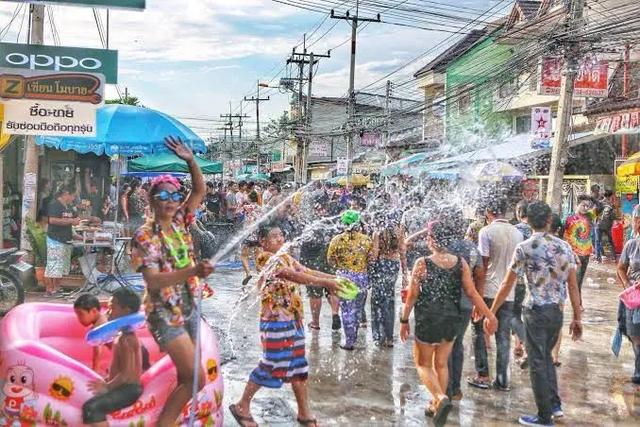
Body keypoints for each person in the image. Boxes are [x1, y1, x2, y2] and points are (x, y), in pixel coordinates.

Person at [130, 136, 215, 426]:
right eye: (163, 196)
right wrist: (193, 272)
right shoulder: (144, 234)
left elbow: (200, 190)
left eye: (174, 195)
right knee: (197, 378)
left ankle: (166, 416)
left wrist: (190, 161)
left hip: (190, 307)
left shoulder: (181, 220)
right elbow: (152, 281)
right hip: (164, 313)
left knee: (189, 377)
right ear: (152, 199)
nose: (169, 201)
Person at [229, 224, 342, 427]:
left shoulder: (286, 256)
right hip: (275, 320)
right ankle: (241, 405)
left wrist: (334, 278)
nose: (280, 239)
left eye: (281, 235)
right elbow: (292, 275)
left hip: (294, 318)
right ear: (263, 241)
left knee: (298, 365)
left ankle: (305, 413)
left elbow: (305, 270)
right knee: (272, 362)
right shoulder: (265, 257)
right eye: (274, 237)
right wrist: (327, 284)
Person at [488, 201, 583, 427]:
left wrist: (491, 312)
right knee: (546, 359)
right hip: (556, 313)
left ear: (527, 220)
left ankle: (544, 417)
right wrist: (577, 317)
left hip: (535, 311)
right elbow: (572, 286)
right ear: (550, 219)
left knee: (538, 363)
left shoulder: (525, 248)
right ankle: (555, 406)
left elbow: (507, 284)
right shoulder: (564, 247)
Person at [400, 221, 497, 426]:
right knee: (442, 364)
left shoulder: (422, 263)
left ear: (431, 240)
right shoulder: (461, 263)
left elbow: (412, 296)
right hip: (451, 319)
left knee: (423, 364)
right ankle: (436, 403)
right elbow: (471, 293)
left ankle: (440, 398)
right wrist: (490, 315)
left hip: (429, 318)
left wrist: (404, 319)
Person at [468, 196, 523, 391]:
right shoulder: (517, 233)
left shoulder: (486, 231)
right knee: (503, 336)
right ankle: (502, 380)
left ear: (489, 213)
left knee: (478, 331)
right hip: (508, 292)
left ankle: (482, 375)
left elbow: (482, 267)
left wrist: (477, 297)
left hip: (488, 290)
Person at [82, 288, 144, 427]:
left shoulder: (126, 339)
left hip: (129, 390)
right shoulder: (122, 335)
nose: (108, 312)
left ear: (126, 311)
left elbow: (127, 374)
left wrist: (107, 387)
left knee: (91, 408)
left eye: (112, 308)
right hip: (125, 387)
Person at [327, 210, 378, 350]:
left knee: (347, 309)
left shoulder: (336, 240)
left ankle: (350, 341)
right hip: (362, 277)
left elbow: (330, 260)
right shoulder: (366, 240)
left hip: (344, 277)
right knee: (357, 308)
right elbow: (371, 259)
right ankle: (353, 335)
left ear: (344, 223)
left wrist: (340, 266)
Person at [300, 198, 341, 331]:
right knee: (331, 289)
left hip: (312, 263)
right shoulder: (333, 225)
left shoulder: (310, 225)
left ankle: (315, 323)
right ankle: (335, 313)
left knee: (315, 294)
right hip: (329, 261)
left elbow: (303, 244)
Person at [370, 219, 404, 347]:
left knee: (376, 301)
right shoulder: (398, 232)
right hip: (394, 265)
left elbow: (374, 254)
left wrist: (371, 270)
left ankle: (377, 336)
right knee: (389, 300)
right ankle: (389, 337)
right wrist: (405, 272)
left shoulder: (378, 233)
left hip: (381, 264)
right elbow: (402, 251)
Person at [616, 205, 640, 390]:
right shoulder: (631, 244)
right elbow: (621, 268)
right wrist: (628, 286)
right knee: (633, 334)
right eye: (636, 218)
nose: (636, 222)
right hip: (635, 298)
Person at [45, 185, 82, 296]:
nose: (73, 198)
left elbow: (75, 220)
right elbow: (52, 220)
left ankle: (57, 287)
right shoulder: (54, 205)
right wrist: (71, 221)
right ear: (66, 193)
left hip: (66, 239)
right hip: (55, 239)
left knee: (61, 266)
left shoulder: (69, 206)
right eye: (72, 196)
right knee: (53, 265)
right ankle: (50, 289)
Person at [563, 194, 595, 306]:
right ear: (577, 204)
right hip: (574, 254)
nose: (586, 208)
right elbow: (561, 234)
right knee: (576, 281)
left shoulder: (590, 216)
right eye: (583, 205)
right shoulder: (568, 218)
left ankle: (578, 303)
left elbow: (599, 206)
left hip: (586, 253)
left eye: (588, 206)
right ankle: (578, 305)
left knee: (580, 281)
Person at [513, 200, 533, 368]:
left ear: (519, 213)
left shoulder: (516, 231)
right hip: (531, 281)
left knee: (513, 314)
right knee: (523, 315)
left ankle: (524, 345)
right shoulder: (535, 231)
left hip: (516, 279)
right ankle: (519, 345)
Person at [74, 293, 108, 375]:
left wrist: (93, 374)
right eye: (77, 315)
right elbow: (110, 302)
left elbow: (97, 354)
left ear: (94, 311)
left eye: (81, 314)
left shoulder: (97, 329)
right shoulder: (107, 314)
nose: (78, 318)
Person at [239, 191, 262, 286]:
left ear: (249, 199)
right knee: (257, 256)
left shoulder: (246, 207)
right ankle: (260, 276)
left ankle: (248, 272)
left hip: (248, 234)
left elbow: (238, 214)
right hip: (257, 234)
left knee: (244, 255)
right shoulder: (261, 208)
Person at [597, 189, 617, 263]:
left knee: (598, 241)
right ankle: (613, 257)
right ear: (610, 196)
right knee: (610, 241)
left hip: (599, 224)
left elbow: (596, 212)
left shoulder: (600, 203)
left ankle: (600, 257)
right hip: (608, 226)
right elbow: (613, 217)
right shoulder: (611, 205)